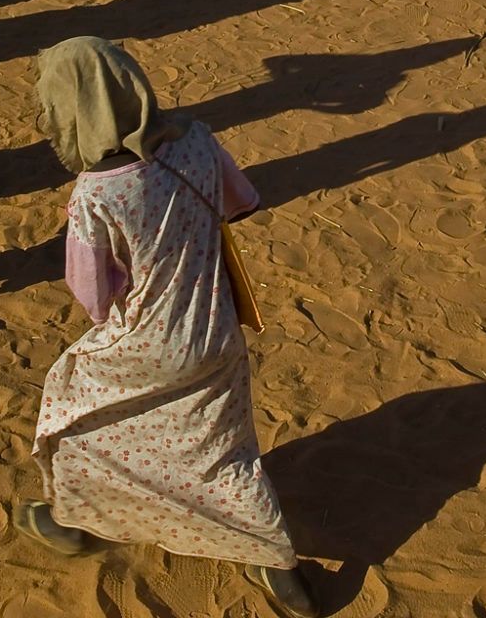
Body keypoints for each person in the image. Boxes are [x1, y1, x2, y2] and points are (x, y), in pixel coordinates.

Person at [19, 37, 318, 618]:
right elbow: (242, 202)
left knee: (71, 405)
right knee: (223, 450)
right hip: (217, 330)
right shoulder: (201, 143)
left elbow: (95, 298)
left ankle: (70, 519)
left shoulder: (96, 193)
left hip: (149, 343)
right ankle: (279, 567)